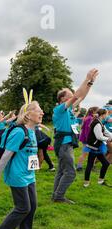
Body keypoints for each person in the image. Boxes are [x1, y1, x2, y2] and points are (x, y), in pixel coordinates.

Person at [0, 101, 44, 229]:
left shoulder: (32, 131)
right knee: (23, 208)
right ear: (27, 114)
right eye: (39, 110)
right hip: (17, 175)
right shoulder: (19, 132)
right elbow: (6, 156)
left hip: (29, 175)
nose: (42, 113)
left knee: (32, 206)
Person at [52, 68, 99, 204]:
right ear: (63, 98)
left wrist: (90, 83)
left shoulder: (69, 109)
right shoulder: (60, 109)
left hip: (66, 144)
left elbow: (82, 96)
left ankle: (56, 195)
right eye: (70, 94)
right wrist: (86, 78)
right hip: (64, 144)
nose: (73, 95)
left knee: (61, 171)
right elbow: (78, 94)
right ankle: (59, 197)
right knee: (70, 172)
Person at [83, 109, 112, 187]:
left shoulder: (100, 122)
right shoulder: (97, 123)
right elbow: (99, 136)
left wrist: (111, 137)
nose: (107, 116)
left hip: (97, 147)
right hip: (94, 146)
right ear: (103, 115)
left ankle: (100, 181)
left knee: (105, 164)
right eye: (107, 114)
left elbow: (106, 132)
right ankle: (86, 183)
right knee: (90, 164)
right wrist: (108, 139)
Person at [76, 107, 99, 171]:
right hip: (87, 139)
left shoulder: (89, 117)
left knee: (92, 153)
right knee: (85, 153)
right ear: (94, 112)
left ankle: (91, 166)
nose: (98, 113)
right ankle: (79, 167)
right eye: (97, 112)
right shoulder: (90, 118)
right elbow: (87, 130)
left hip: (86, 139)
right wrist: (89, 140)